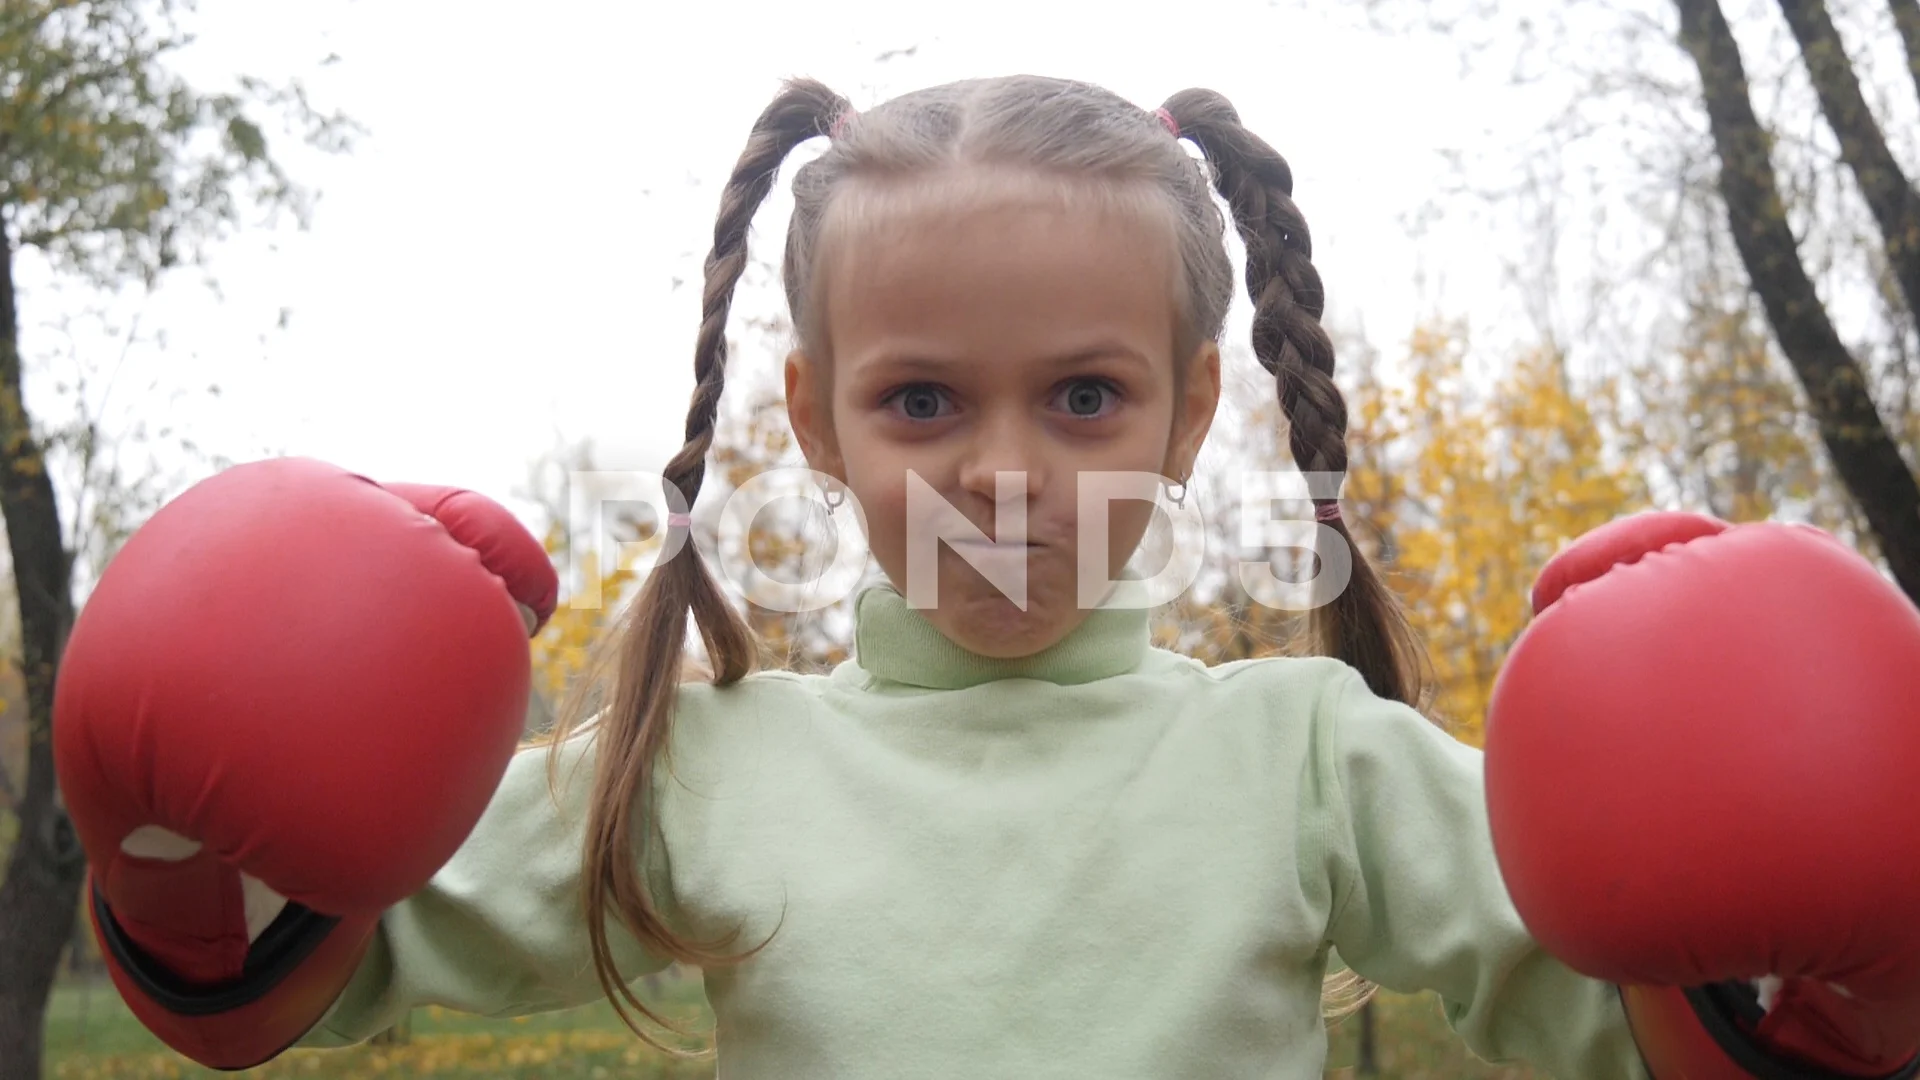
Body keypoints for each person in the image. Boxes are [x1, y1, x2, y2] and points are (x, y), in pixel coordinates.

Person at [54, 75, 1920, 1079]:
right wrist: (179, 849)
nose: (1008, 474)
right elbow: (309, 968)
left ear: (1195, 413)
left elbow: (1659, 1016)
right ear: (818, 419)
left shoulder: (1302, 755)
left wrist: (1858, 985)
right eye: (926, 398)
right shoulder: (704, 762)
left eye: (1088, 397)